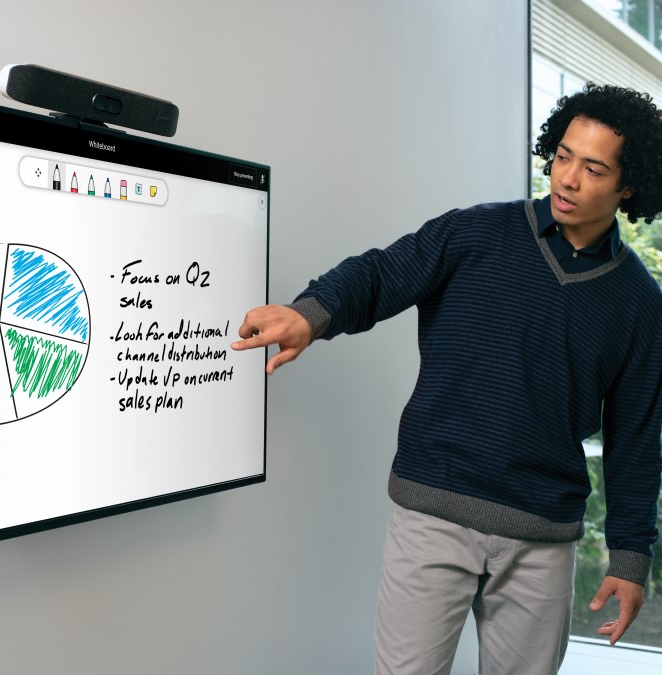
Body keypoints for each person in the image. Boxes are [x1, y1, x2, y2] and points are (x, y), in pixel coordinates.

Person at [232, 83, 662, 674]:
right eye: (563, 156)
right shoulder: (476, 233)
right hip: (433, 512)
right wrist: (311, 315)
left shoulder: (639, 302)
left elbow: (636, 436)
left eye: (592, 168)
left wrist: (629, 558)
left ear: (627, 185)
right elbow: (381, 274)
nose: (566, 179)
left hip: (542, 536)